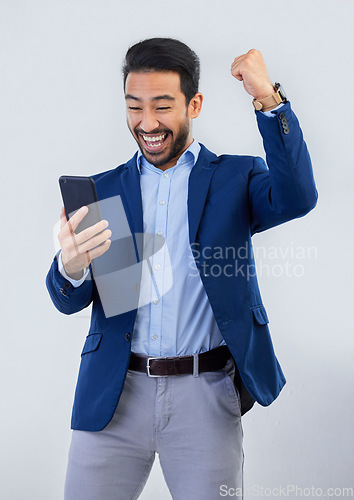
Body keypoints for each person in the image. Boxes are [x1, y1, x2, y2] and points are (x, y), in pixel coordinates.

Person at [46, 38, 317, 500]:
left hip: (204, 396)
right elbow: (68, 300)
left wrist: (268, 99)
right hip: (114, 395)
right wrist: (70, 269)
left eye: (162, 106)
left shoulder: (235, 178)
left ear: (194, 104)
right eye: (134, 107)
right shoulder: (103, 190)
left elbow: (297, 197)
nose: (147, 123)